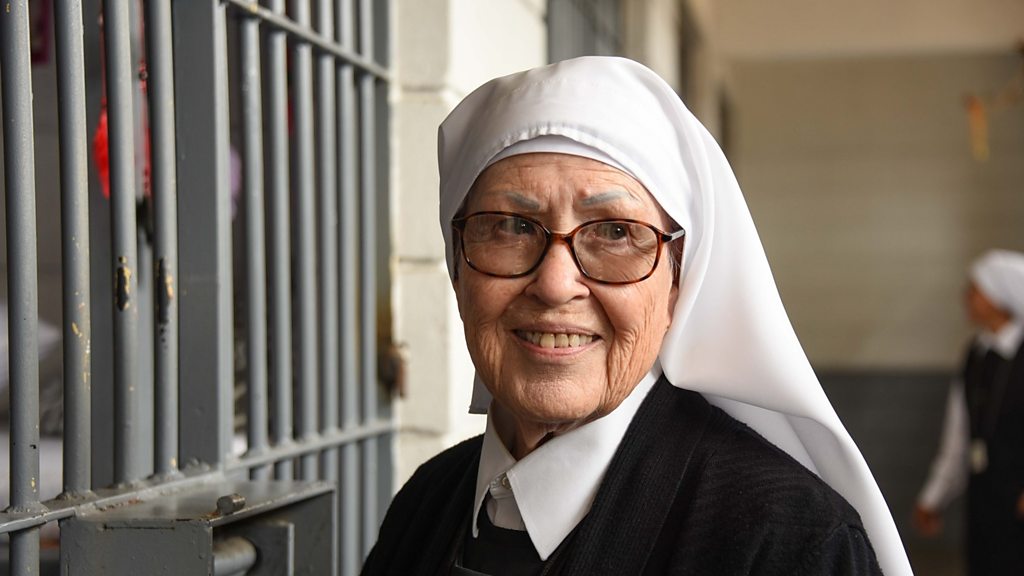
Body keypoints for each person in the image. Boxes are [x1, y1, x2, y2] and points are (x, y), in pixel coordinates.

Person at [363, 56, 911, 575]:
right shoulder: (425, 503)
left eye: (615, 232)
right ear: (458, 268)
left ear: (678, 281)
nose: (555, 284)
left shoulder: (788, 543)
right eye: (510, 226)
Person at [914, 249, 1024, 575]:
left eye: (975, 290)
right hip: (984, 498)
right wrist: (933, 497)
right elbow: (958, 434)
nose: (966, 297)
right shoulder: (976, 354)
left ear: (999, 296)